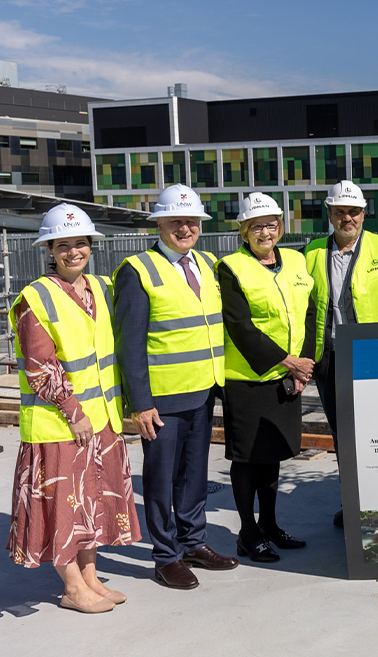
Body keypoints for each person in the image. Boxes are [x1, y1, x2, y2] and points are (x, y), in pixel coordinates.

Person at [6, 205, 140, 613]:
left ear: (90, 245)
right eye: (63, 245)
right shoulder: (36, 297)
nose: (73, 251)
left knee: (93, 502)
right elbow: (40, 367)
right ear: (49, 249)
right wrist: (73, 411)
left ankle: (91, 578)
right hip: (60, 425)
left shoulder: (100, 286)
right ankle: (71, 588)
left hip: (102, 419)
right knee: (63, 506)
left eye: (79, 243)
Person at [114, 184, 238, 590]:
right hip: (163, 399)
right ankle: (166, 556)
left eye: (191, 221)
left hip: (203, 390)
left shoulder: (205, 262)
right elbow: (129, 343)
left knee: (194, 476)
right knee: (160, 480)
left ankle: (193, 543)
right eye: (176, 221)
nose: (185, 228)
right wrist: (141, 402)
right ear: (160, 224)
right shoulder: (138, 270)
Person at [305, 180, 378, 528]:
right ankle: (352, 502)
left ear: (363, 213)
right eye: (340, 212)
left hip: (373, 358)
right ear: (330, 214)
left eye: (353, 212)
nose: (347, 218)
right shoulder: (311, 253)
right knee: (342, 435)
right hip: (329, 360)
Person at [216, 193, 316, 563]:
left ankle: (270, 524)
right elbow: (240, 327)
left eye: (271, 224)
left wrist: (304, 363)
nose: (265, 232)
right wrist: (289, 361)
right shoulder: (231, 267)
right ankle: (248, 533)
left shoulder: (295, 260)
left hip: (289, 375)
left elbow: (308, 312)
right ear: (244, 231)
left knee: (272, 456)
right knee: (248, 458)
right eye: (257, 226)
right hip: (248, 378)